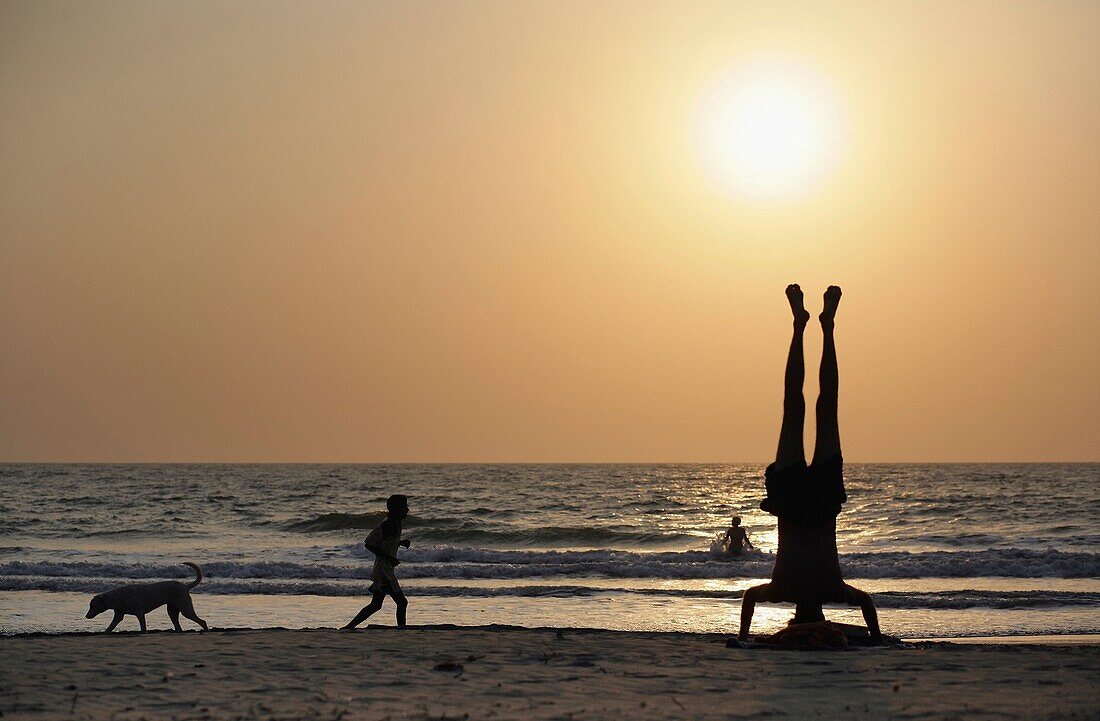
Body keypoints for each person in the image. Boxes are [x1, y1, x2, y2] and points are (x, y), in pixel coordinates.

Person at [738, 285, 881, 644]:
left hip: (816, 500)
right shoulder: (792, 590)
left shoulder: (830, 592)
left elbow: (865, 603)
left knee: (820, 407)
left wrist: (745, 637)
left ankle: (816, 325)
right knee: (801, 406)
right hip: (801, 501)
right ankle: (811, 326)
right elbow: (750, 599)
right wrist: (876, 638)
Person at [343, 494, 411, 629]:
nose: (407, 510)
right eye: (404, 507)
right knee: (401, 602)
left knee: (376, 605)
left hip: (385, 569)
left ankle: (349, 627)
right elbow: (369, 543)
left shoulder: (396, 523)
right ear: (395, 509)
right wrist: (389, 557)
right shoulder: (387, 524)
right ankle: (402, 629)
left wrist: (400, 542)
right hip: (384, 571)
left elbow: (386, 542)